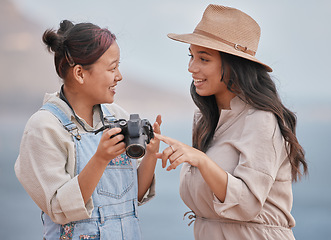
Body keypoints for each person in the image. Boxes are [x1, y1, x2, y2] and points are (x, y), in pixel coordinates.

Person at [156, 4, 307, 240]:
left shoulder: (261, 120)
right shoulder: (205, 120)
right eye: (191, 56)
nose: (191, 67)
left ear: (234, 65)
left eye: (203, 59)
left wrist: (202, 161)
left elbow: (247, 204)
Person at [14, 20, 161, 239]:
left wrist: (151, 154)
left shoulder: (117, 116)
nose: (119, 76)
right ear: (80, 73)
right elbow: (58, 209)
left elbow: (134, 196)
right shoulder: (44, 127)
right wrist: (100, 159)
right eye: (113, 68)